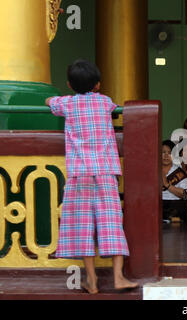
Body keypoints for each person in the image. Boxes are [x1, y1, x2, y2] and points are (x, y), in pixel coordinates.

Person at [45, 59, 137, 294]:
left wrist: (54, 99)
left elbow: (49, 102)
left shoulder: (66, 104)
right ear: (98, 84)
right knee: (111, 224)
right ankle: (118, 277)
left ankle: (92, 279)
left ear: (69, 84)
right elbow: (113, 107)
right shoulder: (105, 102)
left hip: (79, 174)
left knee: (82, 226)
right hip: (105, 172)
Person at [161, 140, 187, 223]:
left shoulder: (178, 172)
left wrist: (167, 185)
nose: (166, 156)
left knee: (181, 207)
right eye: (163, 152)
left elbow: (186, 194)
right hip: (158, 204)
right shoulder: (153, 169)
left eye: (169, 153)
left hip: (174, 204)